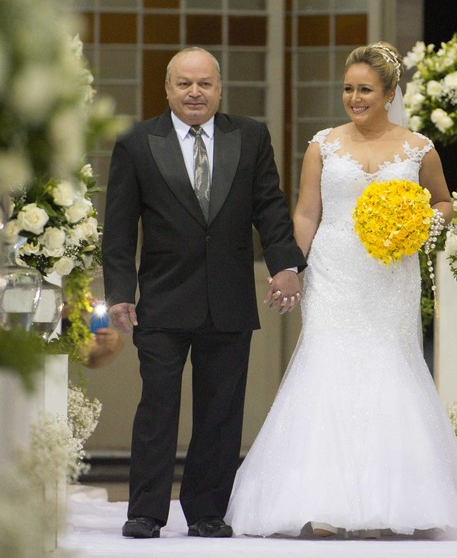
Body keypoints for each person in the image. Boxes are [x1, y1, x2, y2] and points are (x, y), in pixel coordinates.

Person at [226, 42, 457, 539]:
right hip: (335, 269)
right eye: (348, 88)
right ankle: (322, 503)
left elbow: (445, 203)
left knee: (389, 366)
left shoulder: (418, 147)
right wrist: (290, 268)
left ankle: (391, 503)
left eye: (365, 89)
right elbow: (306, 213)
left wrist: (418, 223)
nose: (354, 98)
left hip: (389, 273)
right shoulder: (323, 144)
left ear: (389, 93)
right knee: (327, 363)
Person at [102, 47, 305, 539]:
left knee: (221, 410)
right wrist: (120, 292)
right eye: (185, 84)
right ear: (167, 89)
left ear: (219, 88)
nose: (195, 92)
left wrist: (286, 265)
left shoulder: (250, 137)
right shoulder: (136, 142)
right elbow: (120, 225)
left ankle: (207, 511)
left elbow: (270, 208)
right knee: (157, 406)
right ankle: (146, 511)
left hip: (229, 298)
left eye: (205, 84)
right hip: (162, 297)